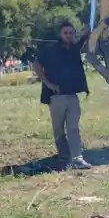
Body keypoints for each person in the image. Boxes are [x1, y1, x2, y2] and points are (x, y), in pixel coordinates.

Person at [32, 20, 91, 170]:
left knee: (73, 128)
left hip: (72, 96)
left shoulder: (75, 48)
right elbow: (36, 64)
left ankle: (77, 158)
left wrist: (86, 30)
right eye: (66, 33)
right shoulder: (51, 49)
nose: (68, 35)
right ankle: (64, 157)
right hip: (56, 96)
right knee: (58, 129)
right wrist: (47, 83)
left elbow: (86, 33)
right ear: (60, 34)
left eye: (71, 33)